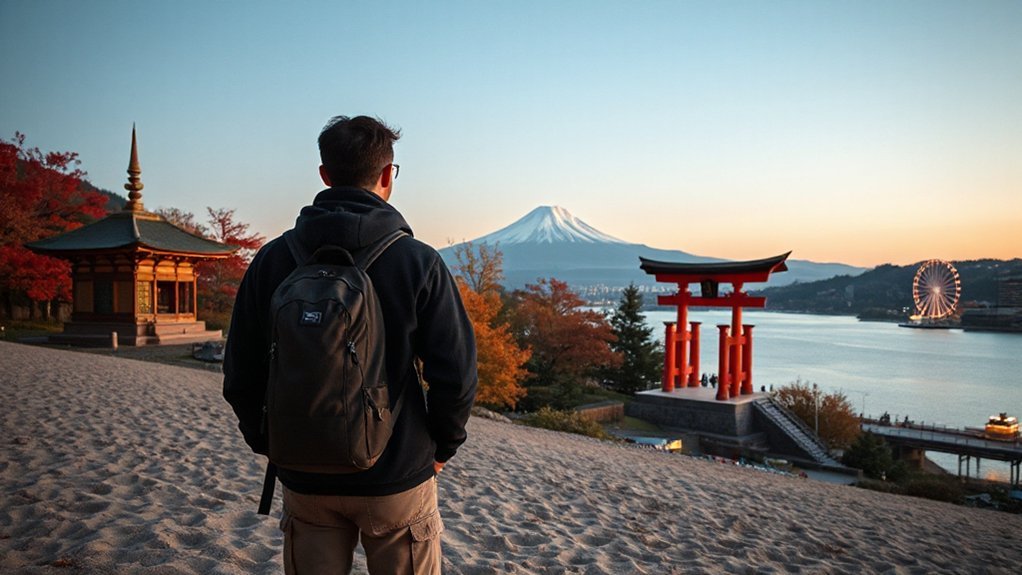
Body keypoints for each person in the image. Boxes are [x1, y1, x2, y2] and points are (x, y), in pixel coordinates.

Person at [223, 115, 478, 574]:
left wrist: (271, 442)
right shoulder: (417, 261)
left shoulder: (274, 258)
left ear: (324, 175)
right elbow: (455, 375)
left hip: (303, 472)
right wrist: (443, 449)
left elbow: (240, 371)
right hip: (396, 472)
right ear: (387, 176)